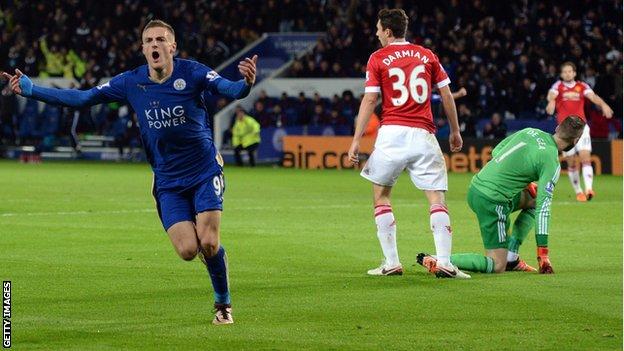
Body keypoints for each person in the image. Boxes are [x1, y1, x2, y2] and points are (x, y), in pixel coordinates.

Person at [2, 19, 258, 325]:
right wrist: (32, 90)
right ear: (142, 48)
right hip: (167, 180)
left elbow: (230, 89)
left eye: (161, 40)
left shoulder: (195, 72)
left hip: (204, 169)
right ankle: (207, 252)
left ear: (172, 46)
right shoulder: (130, 82)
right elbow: (83, 98)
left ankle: (223, 304)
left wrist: (246, 84)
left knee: (210, 242)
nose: (155, 45)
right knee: (189, 250)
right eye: (148, 40)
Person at [348, 9, 469, 279]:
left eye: (379, 29)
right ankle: (446, 262)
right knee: (437, 198)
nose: (376, 33)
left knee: (381, 195)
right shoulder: (427, 55)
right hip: (424, 135)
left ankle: (391, 262)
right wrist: (455, 131)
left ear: (388, 31)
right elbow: (447, 94)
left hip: (392, 133)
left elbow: (370, 100)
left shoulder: (378, 58)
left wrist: (356, 140)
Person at [418, 116, 586, 275]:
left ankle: (512, 258)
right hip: (492, 201)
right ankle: (440, 259)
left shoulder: (530, 131)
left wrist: (525, 182)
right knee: (498, 264)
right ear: (576, 141)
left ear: (557, 128)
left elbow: (497, 151)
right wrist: (543, 254)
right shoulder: (551, 161)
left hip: (476, 187)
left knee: (533, 199)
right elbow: (544, 208)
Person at [546, 62, 614, 202]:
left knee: (585, 158)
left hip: (581, 127)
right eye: (565, 72)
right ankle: (579, 192)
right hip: (564, 131)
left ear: (574, 73)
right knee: (571, 163)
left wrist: (604, 105)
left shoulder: (582, 86)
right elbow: (551, 95)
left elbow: (593, 97)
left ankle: (589, 189)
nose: (567, 74)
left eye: (570, 71)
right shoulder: (558, 86)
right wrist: (551, 102)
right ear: (561, 74)